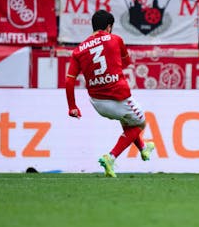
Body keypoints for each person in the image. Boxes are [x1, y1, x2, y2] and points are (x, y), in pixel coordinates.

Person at [65, 10, 156, 178]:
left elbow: (69, 80)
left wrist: (72, 107)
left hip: (98, 103)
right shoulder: (115, 39)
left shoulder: (78, 50)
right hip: (118, 96)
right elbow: (127, 62)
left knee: (127, 120)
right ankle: (111, 157)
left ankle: (143, 148)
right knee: (140, 124)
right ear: (109, 27)